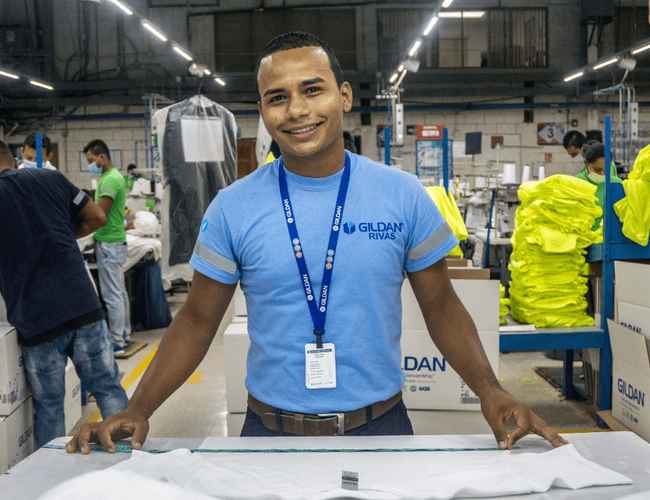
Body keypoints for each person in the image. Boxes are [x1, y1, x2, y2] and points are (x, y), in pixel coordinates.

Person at [68, 32, 566, 454]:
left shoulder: (401, 195)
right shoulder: (233, 207)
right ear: (262, 110)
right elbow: (196, 323)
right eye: (277, 97)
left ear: (344, 96)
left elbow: (441, 308)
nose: (297, 111)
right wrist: (138, 408)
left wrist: (490, 391)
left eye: (313, 90)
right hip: (266, 436)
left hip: (383, 429)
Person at [0, 140, 128, 448]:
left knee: (50, 407)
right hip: (81, 306)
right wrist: (56, 236)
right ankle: (127, 458)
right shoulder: (49, 178)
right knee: (108, 388)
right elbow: (97, 217)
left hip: (36, 321)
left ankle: (53, 483)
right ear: (12, 158)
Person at [83, 139, 132, 354]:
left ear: (102, 157)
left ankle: (117, 342)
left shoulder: (110, 180)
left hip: (109, 242)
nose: (90, 165)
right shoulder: (110, 177)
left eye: (91, 160)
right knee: (119, 293)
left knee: (112, 295)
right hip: (115, 240)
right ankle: (124, 335)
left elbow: (100, 214)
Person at [576, 140, 622, 227]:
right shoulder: (578, 183)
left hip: (610, 236)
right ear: (587, 164)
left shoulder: (617, 183)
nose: (602, 174)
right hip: (586, 236)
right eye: (597, 170)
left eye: (606, 169)